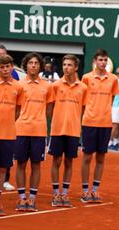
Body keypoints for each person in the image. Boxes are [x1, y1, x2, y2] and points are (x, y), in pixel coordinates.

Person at [15, 53, 54, 212]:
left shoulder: (47, 86)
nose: (33, 65)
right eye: (30, 63)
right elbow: (16, 109)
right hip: (21, 129)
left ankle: (32, 198)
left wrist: (38, 119)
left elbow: (49, 109)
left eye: (36, 63)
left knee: (36, 164)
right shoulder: (18, 85)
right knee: (21, 164)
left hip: (39, 131)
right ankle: (21, 198)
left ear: (40, 66)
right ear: (26, 65)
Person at [81, 49, 119, 203]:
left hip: (105, 123)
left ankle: (95, 190)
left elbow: (112, 100)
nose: (103, 63)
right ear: (95, 61)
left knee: (101, 158)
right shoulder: (86, 78)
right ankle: (85, 191)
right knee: (87, 157)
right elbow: (83, 101)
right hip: (89, 122)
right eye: (100, 60)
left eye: (105, 60)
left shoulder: (114, 79)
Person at [49, 55, 87, 207]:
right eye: (64, 64)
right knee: (56, 160)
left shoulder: (83, 88)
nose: (66, 67)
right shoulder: (56, 86)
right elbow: (50, 108)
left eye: (70, 65)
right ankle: (55, 194)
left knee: (69, 161)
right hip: (57, 130)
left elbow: (83, 109)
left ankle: (64, 194)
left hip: (73, 130)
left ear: (76, 67)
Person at [0, 55, 22, 215]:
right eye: (2, 67)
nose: (5, 69)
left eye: (8, 66)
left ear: (12, 67)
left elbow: (17, 110)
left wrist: (8, 123)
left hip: (9, 135)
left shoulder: (18, 87)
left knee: (2, 169)